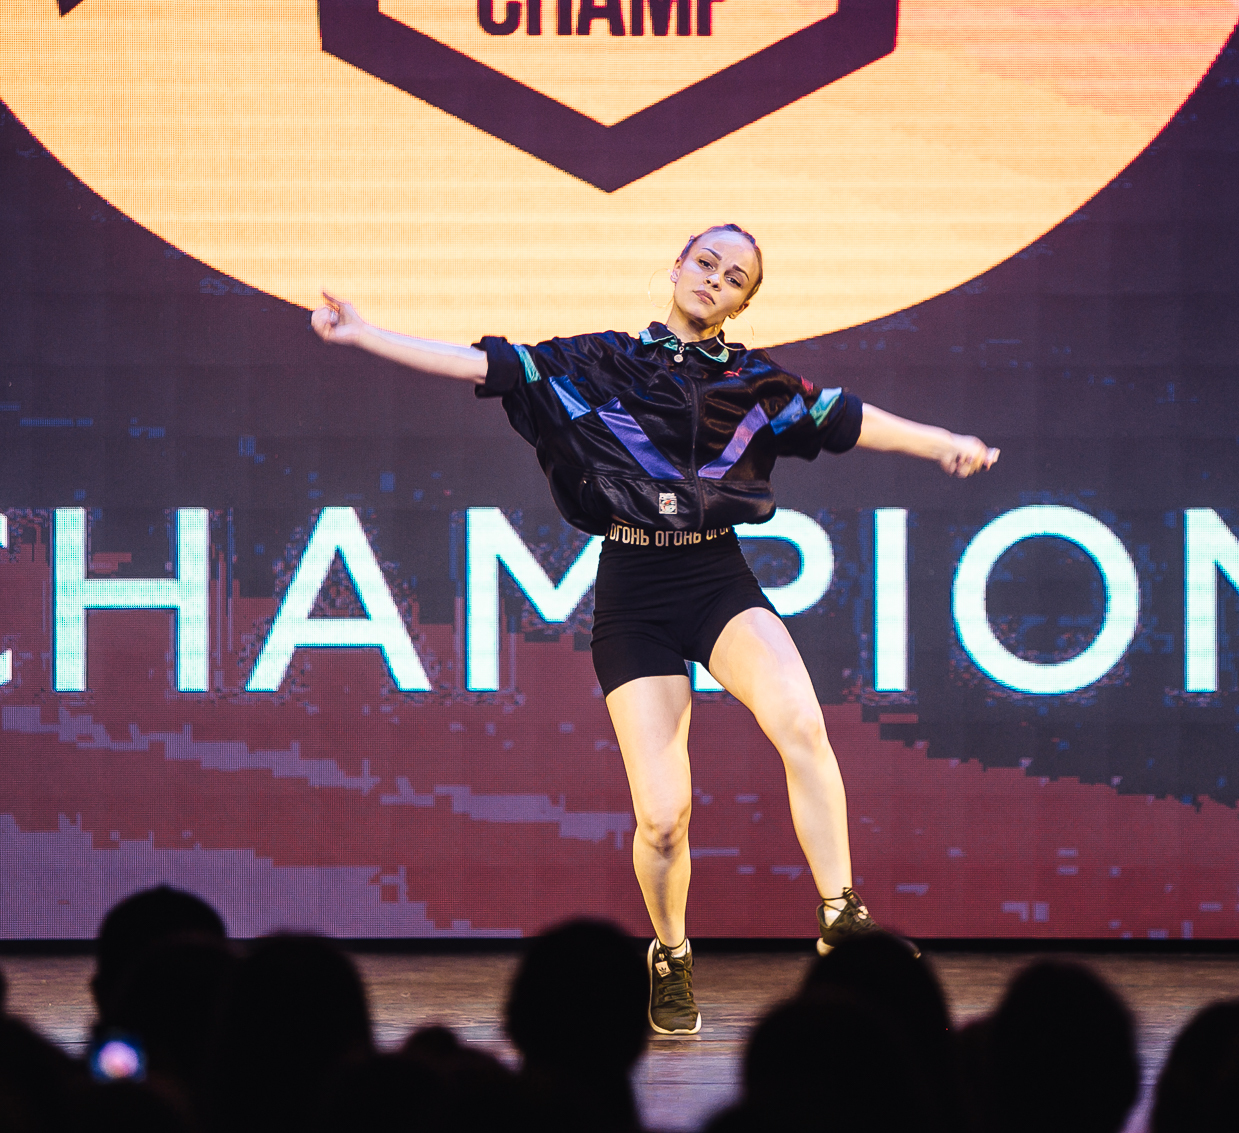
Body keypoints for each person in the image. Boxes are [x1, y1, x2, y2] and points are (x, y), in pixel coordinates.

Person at [312, 223, 999, 1035]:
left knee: (802, 723)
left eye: (734, 277)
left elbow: (848, 419)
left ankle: (840, 911)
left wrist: (944, 443)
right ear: (676, 266)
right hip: (634, 591)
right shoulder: (596, 363)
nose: (714, 279)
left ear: (743, 302)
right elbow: (482, 365)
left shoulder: (757, 383)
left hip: (717, 578)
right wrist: (364, 334)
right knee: (664, 817)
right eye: (706, 262)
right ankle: (670, 952)